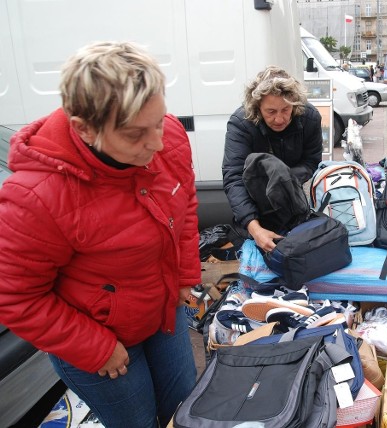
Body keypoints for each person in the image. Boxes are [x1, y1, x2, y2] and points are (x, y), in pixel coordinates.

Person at [0, 42, 201, 427]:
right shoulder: (35, 197)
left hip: (162, 313)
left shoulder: (169, 134)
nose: (157, 144)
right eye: (134, 134)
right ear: (84, 128)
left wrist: (186, 275)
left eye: (158, 122)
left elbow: (185, 202)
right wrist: (94, 347)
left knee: (185, 408)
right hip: (99, 338)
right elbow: (17, 299)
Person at [223, 66, 323, 253]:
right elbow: (233, 177)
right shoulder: (241, 123)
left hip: (293, 200)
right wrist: (255, 229)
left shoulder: (309, 117)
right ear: (257, 107)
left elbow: (311, 160)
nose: (279, 119)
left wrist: (283, 180)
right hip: (254, 207)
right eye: (271, 112)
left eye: (286, 110)